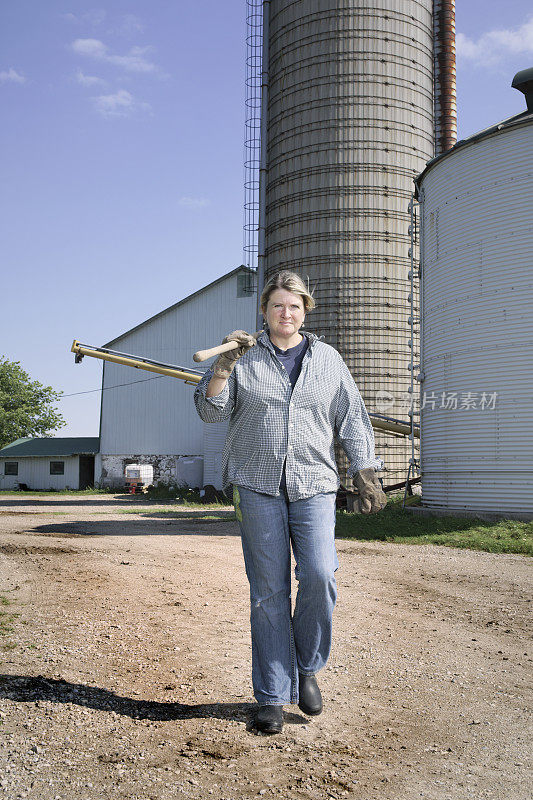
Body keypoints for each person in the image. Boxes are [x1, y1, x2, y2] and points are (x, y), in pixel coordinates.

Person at [194, 270, 386, 734]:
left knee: (320, 574)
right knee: (268, 592)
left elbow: (353, 418)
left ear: (305, 312)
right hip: (256, 484)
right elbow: (208, 410)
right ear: (264, 311)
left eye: (294, 306)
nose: (286, 313)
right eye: (278, 305)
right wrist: (221, 369)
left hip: (314, 482)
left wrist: (365, 473)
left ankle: (307, 669)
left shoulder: (328, 360)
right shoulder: (242, 357)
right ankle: (272, 695)